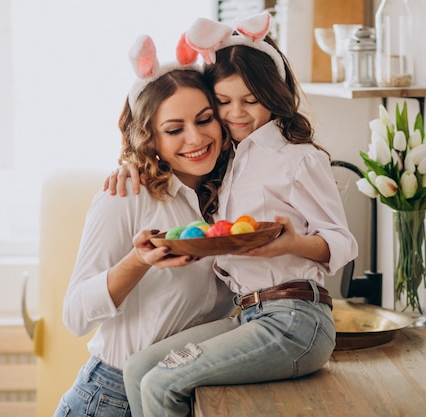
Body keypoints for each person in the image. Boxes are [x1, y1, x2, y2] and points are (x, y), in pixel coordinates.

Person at [115, 12, 359, 417]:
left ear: (273, 94)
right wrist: (133, 163)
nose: (236, 114)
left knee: (161, 383)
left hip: (295, 319)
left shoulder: (299, 158)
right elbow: (169, 146)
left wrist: (292, 243)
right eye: (223, 102)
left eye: (250, 100)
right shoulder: (228, 161)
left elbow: (342, 241)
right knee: (139, 369)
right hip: (248, 315)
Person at [53, 34, 238, 417]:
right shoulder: (126, 196)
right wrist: (138, 261)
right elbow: (74, 316)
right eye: (174, 129)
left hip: (183, 394)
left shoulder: (233, 195)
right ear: (150, 139)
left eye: (205, 120)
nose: (196, 137)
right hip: (111, 398)